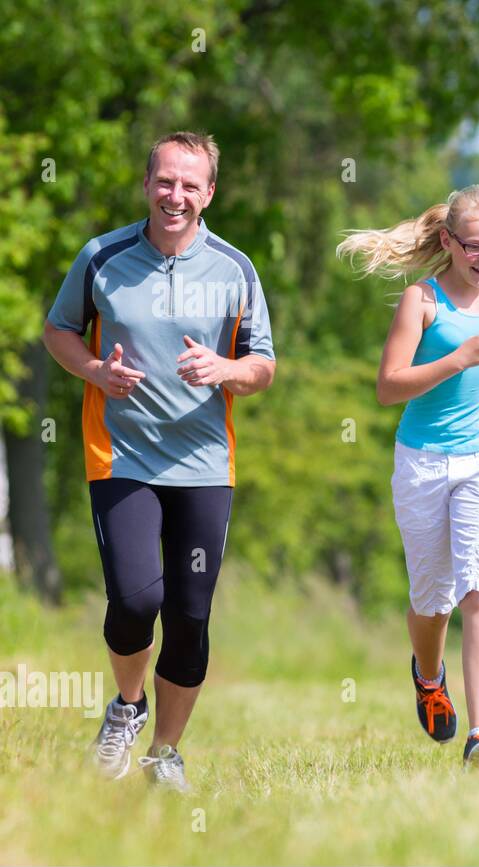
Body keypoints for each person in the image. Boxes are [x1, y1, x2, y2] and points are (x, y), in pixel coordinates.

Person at [43, 131, 276, 792]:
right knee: (136, 597)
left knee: (191, 614)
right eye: (165, 182)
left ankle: (164, 753)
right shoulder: (102, 257)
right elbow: (58, 330)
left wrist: (225, 369)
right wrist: (94, 369)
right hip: (122, 455)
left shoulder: (235, 269)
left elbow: (263, 367)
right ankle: (127, 707)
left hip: (204, 463)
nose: (176, 195)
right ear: (148, 185)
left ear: (209, 194)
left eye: (190, 185)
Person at [337, 185, 479, 767]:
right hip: (422, 460)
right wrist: (454, 361)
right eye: (475, 247)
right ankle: (427, 675)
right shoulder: (422, 300)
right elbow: (388, 385)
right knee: (432, 598)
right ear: (448, 240)